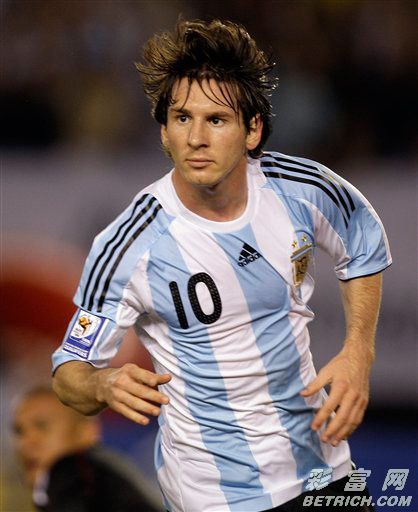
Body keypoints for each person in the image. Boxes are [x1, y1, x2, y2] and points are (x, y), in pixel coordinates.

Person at [51, 19, 392, 512]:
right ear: (164, 132)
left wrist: (359, 351)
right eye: (182, 118)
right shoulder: (129, 244)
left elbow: (363, 240)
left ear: (252, 130)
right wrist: (101, 383)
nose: (196, 137)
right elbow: (68, 371)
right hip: (214, 498)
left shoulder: (301, 189)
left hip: (325, 472)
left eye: (216, 119)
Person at [12, 386, 163, 511]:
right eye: (19, 432)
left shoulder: (73, 471)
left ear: (86, 431)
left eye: (42, 426)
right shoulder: (102, 475)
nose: (25, 443)